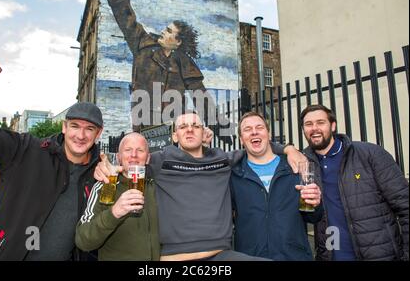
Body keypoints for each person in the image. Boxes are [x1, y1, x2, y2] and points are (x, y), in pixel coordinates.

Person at [95, 112, 305, 260]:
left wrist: (288, 149)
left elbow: (256, 145)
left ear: (204, 133)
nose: (189, 130)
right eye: (183, 127)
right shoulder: (159, 160)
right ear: (175, 136)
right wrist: (103, 169)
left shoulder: (222, 158)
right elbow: (128, 162)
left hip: (220, 254)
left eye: (195, 126)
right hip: (173, 256)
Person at [0, 57, 104, 260]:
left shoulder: (100, 174)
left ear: (99, 133)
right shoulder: (25, 150)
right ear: (64, 126)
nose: (80, 136)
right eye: (75, 126)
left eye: (89, 129)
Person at [104, 0, 217, 129]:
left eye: (169, 31)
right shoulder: (142, 43)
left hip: (173, 130)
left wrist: (218, 126)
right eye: (166, 28)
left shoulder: (183, 62)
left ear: (178, 42)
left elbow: (200, 95)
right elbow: (125, 16)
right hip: (145, 127)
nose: (163, 31)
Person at [301, 104, 409, 261]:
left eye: (321, 122)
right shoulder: (304, 164)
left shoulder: (369, 154)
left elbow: (405, 206)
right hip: (331, 254)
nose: (314, 128)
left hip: (379, 255)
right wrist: (288, 149)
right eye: (308, 124)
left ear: (333, 125)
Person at [230, 112, 323, 260]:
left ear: (269, 134)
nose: (254, 131)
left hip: (294, 256)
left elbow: (313, 216)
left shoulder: (295, 167)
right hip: (251, 257)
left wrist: (316, 203)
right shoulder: (234, 175)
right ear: (242, 139)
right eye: (247, 129)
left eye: (259, 127)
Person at [75, 132, 160, 260]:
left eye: (140, 150)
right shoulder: (106, 186)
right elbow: (83, 241)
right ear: (119, 157)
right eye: (128, 150)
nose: (133, 155)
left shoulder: (157, 186)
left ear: (148, 158)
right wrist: (114, 213)